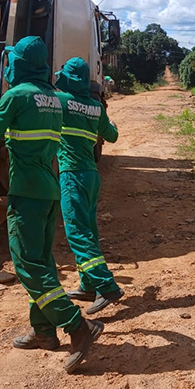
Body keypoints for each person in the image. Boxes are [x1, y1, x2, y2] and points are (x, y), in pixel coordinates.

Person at [0, 37, 103, 373]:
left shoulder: (17, 96)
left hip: (27, 193)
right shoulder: (52, 98)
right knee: (43, 262)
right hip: (50, 190)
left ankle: (77, 326)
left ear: (19, 64)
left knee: (27, 266)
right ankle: (43, 331)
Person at [55, 57, 123, 314]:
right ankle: (88, 284)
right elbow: (112, 136)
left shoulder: (61, 102)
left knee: (77, 233)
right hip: (91, 176)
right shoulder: (96, 107)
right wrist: (109, 120)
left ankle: (107, 286)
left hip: (71, 175)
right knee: (88, 229)